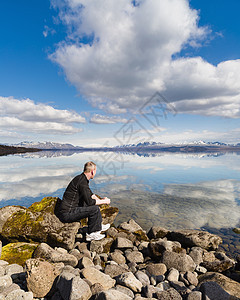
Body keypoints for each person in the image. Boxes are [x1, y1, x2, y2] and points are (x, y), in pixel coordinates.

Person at [58, 161, 111, 241]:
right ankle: (92, 234)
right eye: (95, 171)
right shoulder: (82, 181)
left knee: (92, 205)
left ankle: (98, 225)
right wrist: (105, 202)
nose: (95, 173)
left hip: (70, 210)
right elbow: (90, 202)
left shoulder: (81, 178)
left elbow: (90, 195)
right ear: (92, 171)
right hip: (67, 213)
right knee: (94, 209)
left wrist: (101, 200)